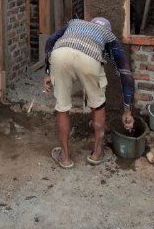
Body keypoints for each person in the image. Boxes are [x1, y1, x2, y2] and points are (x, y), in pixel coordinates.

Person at [43, 16, 135, 169]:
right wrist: (127, 110)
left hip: (60, 54)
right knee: (98, 105)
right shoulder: (108, 35)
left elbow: (51, 40)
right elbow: (125, 73)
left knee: (62, 106)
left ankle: (65, 158)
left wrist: (48, 71)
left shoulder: (74, 23)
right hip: (89, 58)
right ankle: (97, 154)